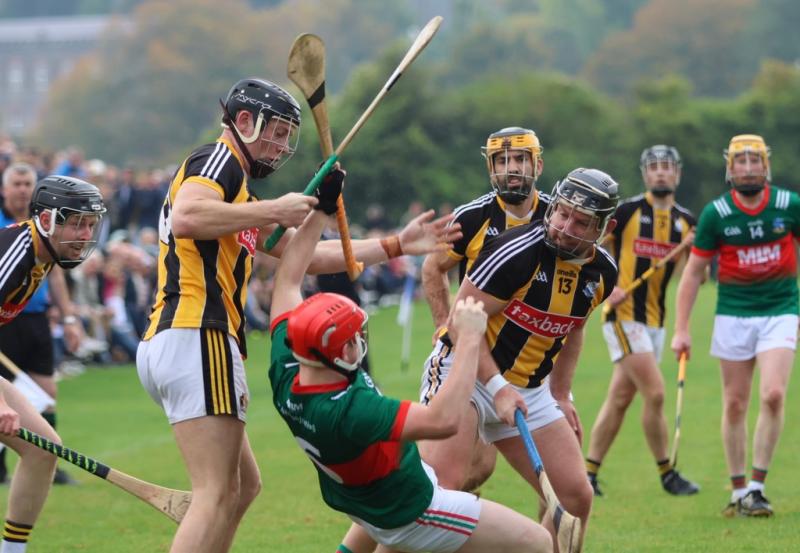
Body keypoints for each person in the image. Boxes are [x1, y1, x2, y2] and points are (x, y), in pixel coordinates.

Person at [136, 76, 461, 553]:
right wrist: (277, 207)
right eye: (278, 131)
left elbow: (303, 257)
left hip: (184, 340)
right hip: (196, 335)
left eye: (291, 135)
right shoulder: (218, 161)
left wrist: (395, 245)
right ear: (243, 122)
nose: (283, 145)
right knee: (214, 493)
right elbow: (188, 216)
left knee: (243, 487)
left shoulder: (238, 197)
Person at [268, 172, 552, 553]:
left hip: (361, 499)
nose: (358, 343)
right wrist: (468, 339)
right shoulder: (353, 410)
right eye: (352, 340)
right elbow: (442, 421)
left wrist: (321, 209)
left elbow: (288, 277)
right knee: (538, 542)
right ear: (335, 355)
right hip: (413, 508)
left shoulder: (287, 365)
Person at [422, 168, 619, 550]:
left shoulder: (602, 273)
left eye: (581, 222)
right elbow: (462, 323)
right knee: (438, 493)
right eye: (562, 213)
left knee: (576, 497)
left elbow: (573, 328)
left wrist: (561, 394)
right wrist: (496, 388)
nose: (564, 226)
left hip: (530, 388)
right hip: (464, 375)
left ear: (601, 230)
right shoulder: (517, 253)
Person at [672, 134, 799, 517]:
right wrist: (682, 328)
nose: (747, 168)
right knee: (735, 403)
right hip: (733, 314)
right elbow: (693, 274)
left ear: (766, 166)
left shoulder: (788, 205)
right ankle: (738, 489)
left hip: (780, 309)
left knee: (774, 394)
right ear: (730, 168)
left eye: (754, 161)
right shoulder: (716, 214)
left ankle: (757, 487)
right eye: (740, 162)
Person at [420, 126, 548, 492]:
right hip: (471, 356)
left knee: (480, 469)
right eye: (502, 160)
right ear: (490, 167)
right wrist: (444, 323)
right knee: (451, 471)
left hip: (522, 361)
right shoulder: (473, 216)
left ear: (537, 165)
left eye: (520, 159)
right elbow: (433, 267)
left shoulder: (555, 218)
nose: (511, 168)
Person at [0, 174, 106, 552]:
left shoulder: (44, 257)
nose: (85, 233)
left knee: (44, 447)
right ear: (46, 219)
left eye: (91, 224)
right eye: (77, 222)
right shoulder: (15, 251)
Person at [585, 145, 699, 497]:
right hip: (622, 315)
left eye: (667, 167)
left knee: (620, 398)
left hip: (657, 321)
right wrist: (609, 286)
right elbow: (589, 251)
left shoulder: (686, 222)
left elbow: (698, 274)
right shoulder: (627, 212)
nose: (661, 173)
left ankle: (588, 472)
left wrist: (700, 250)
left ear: (677, 174)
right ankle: (667, 472)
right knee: (656, 392)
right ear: (645, 174)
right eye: (654, 167)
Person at [0, 162, 84, 486]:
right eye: (16, 183)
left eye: (27, 184)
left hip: (32, 317)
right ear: (6, 188)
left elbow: (56, 275)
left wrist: (69, 317)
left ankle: (46, 461)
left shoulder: (48, 235)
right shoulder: (12, 238)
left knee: (45, 393)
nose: (22, 189)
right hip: (7, 322)